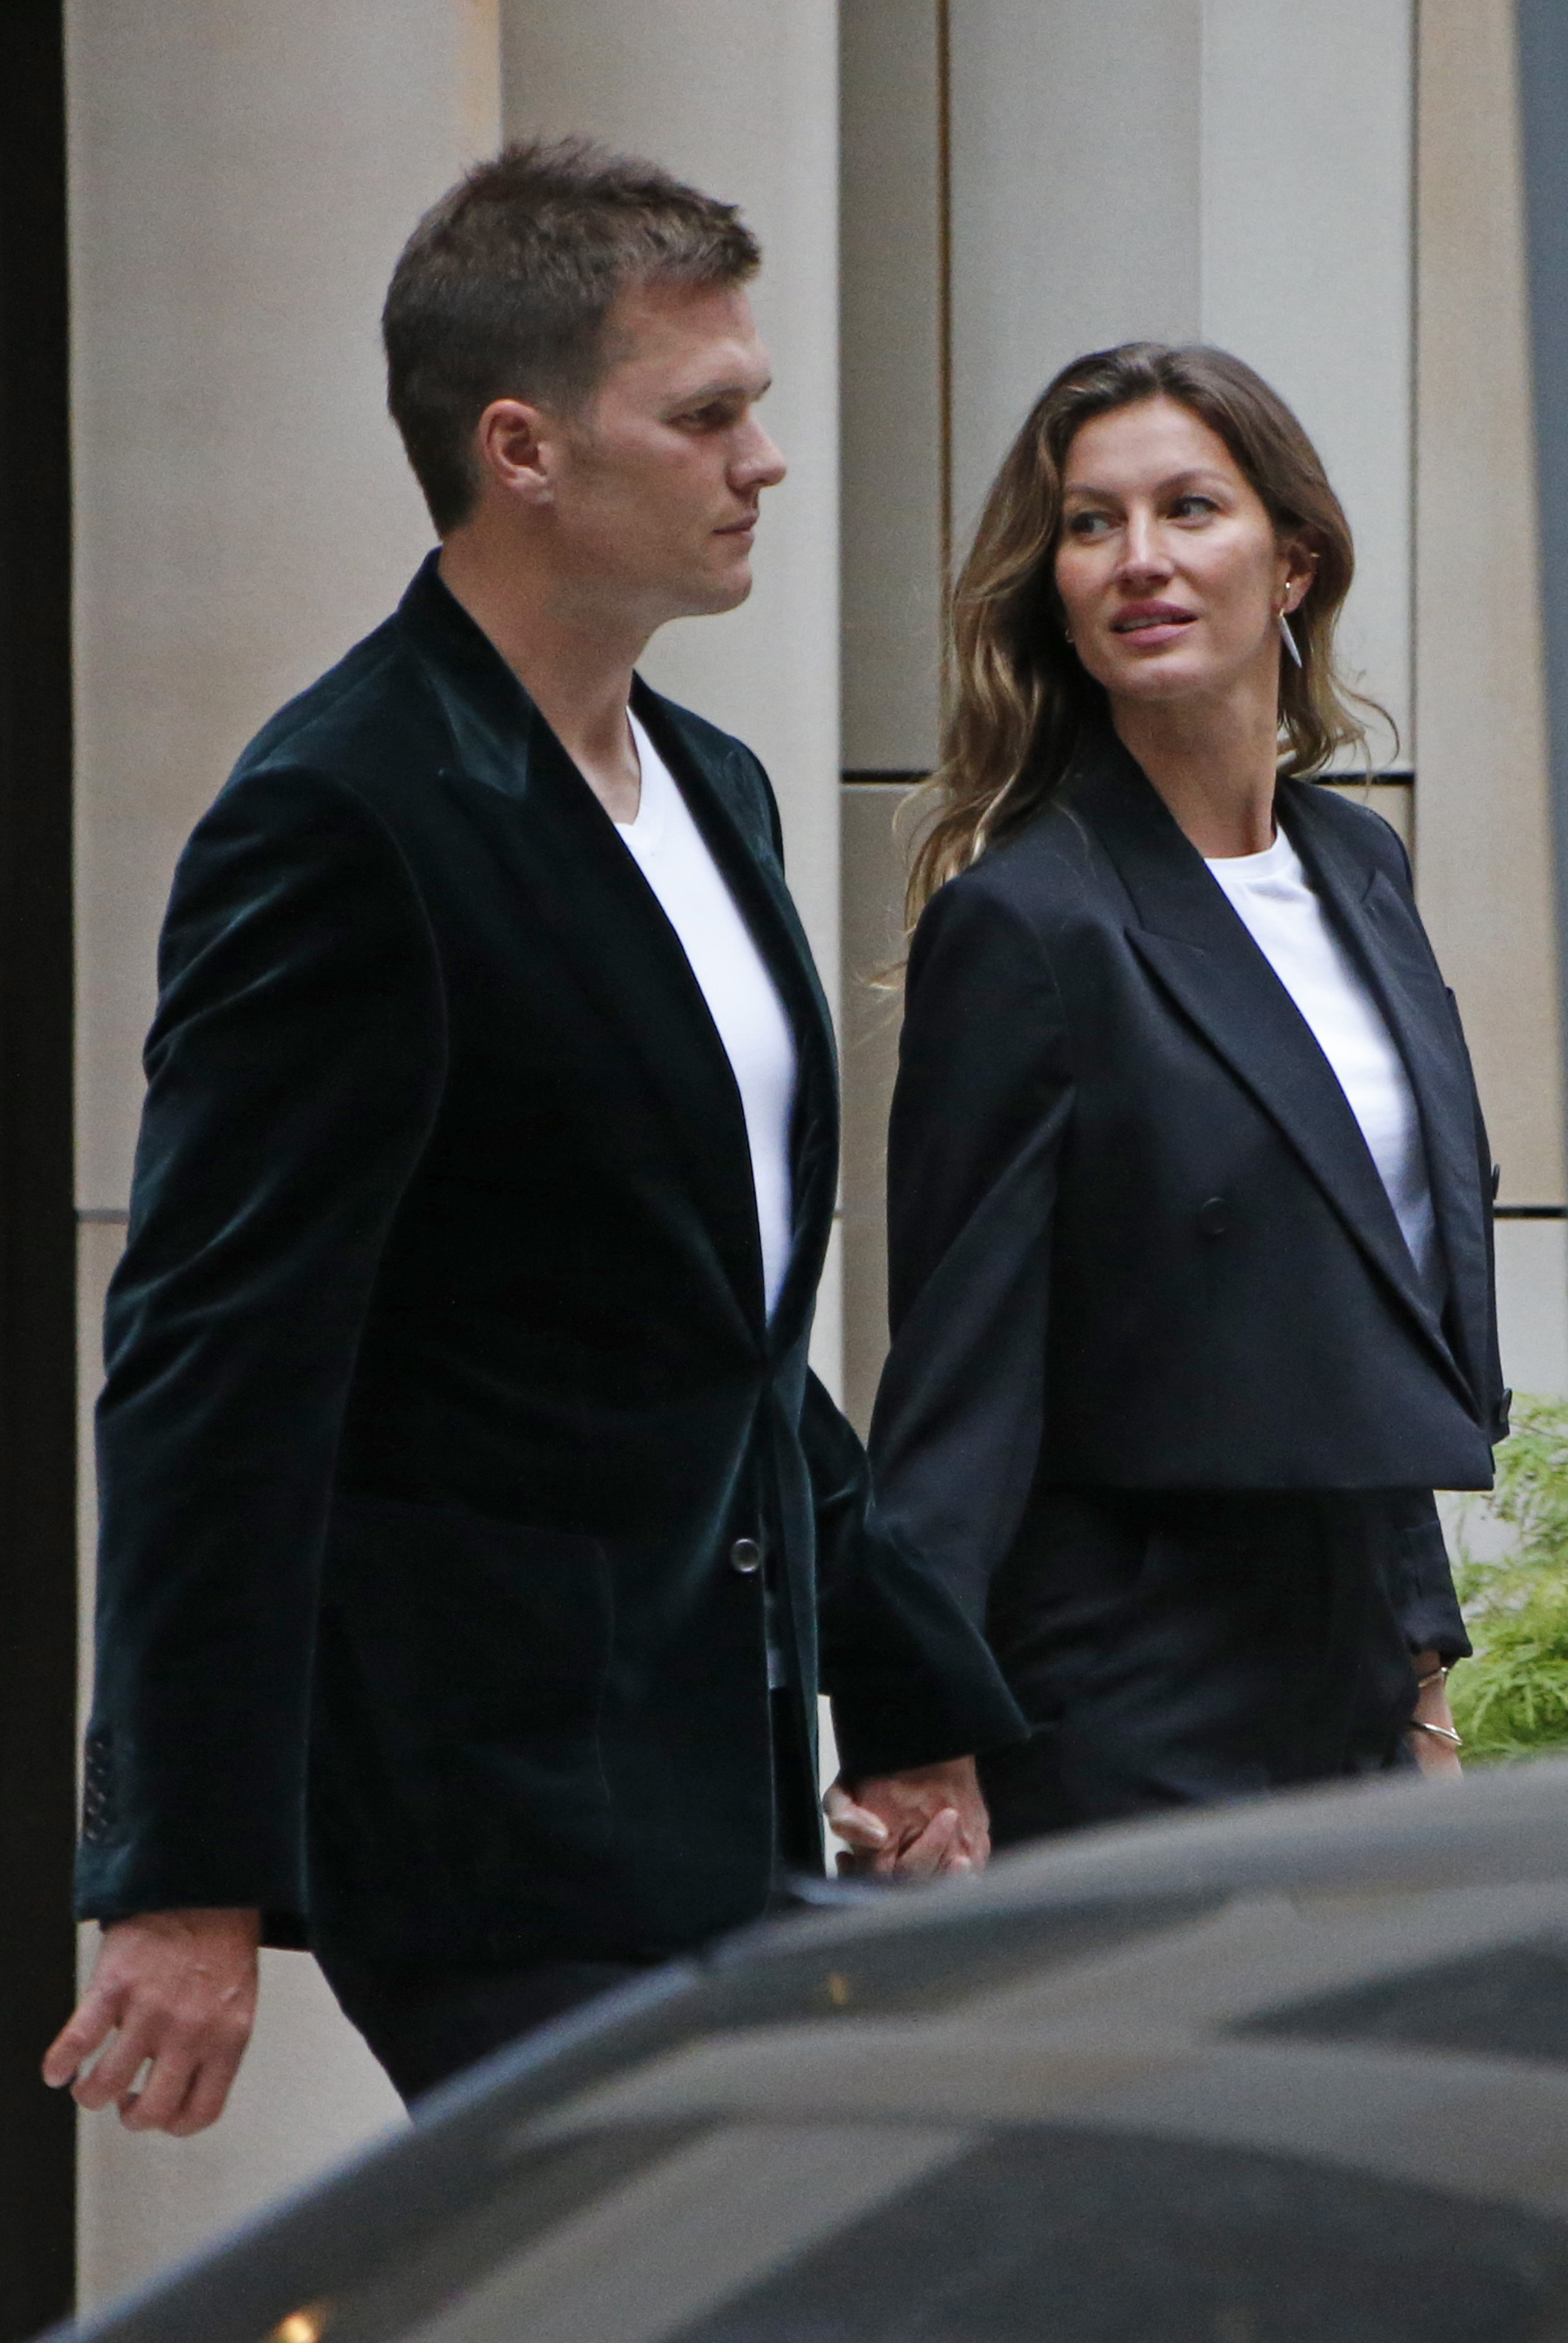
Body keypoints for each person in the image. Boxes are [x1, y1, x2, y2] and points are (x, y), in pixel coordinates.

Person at [44, 140, 1024, 2128]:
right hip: (483, 1818)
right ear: (524, 449)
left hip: (718, 1786)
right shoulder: (343, 817)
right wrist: (180, 1872)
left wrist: (904, 1683)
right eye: (708, 416)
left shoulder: (720, 789)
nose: (765, 461)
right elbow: (213, 1369)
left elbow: (716, 1329)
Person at [869, 341, 1508, 1849]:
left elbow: (1368, 1312)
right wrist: (917, 1731)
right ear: (1057, 591)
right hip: (1125, 1691)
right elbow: (958, 1376)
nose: (1138, 558)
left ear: (1293, 560)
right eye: (1092, 524)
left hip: (1350, 1676)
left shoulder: (1361, 869)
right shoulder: (1029, 923)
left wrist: (1423, 1678)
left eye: (1189, 508)